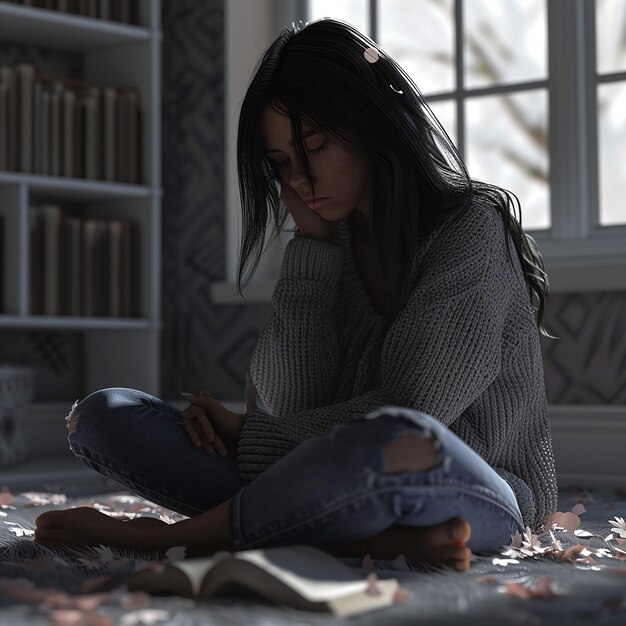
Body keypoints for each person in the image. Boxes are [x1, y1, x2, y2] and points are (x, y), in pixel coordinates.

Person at [34, 18, 558, 573]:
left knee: (394, 435)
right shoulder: (327, 242)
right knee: (105, 416)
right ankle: (358, 540)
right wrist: (310, 251)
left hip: (482, 491)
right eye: (282, 163)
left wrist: (253, 434)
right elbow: (290, 409)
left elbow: (414, 416)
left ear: (372, 124)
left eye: (315, 146)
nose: (300, 179)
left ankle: (173, 541)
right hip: (328, 472)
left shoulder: (471, 228)